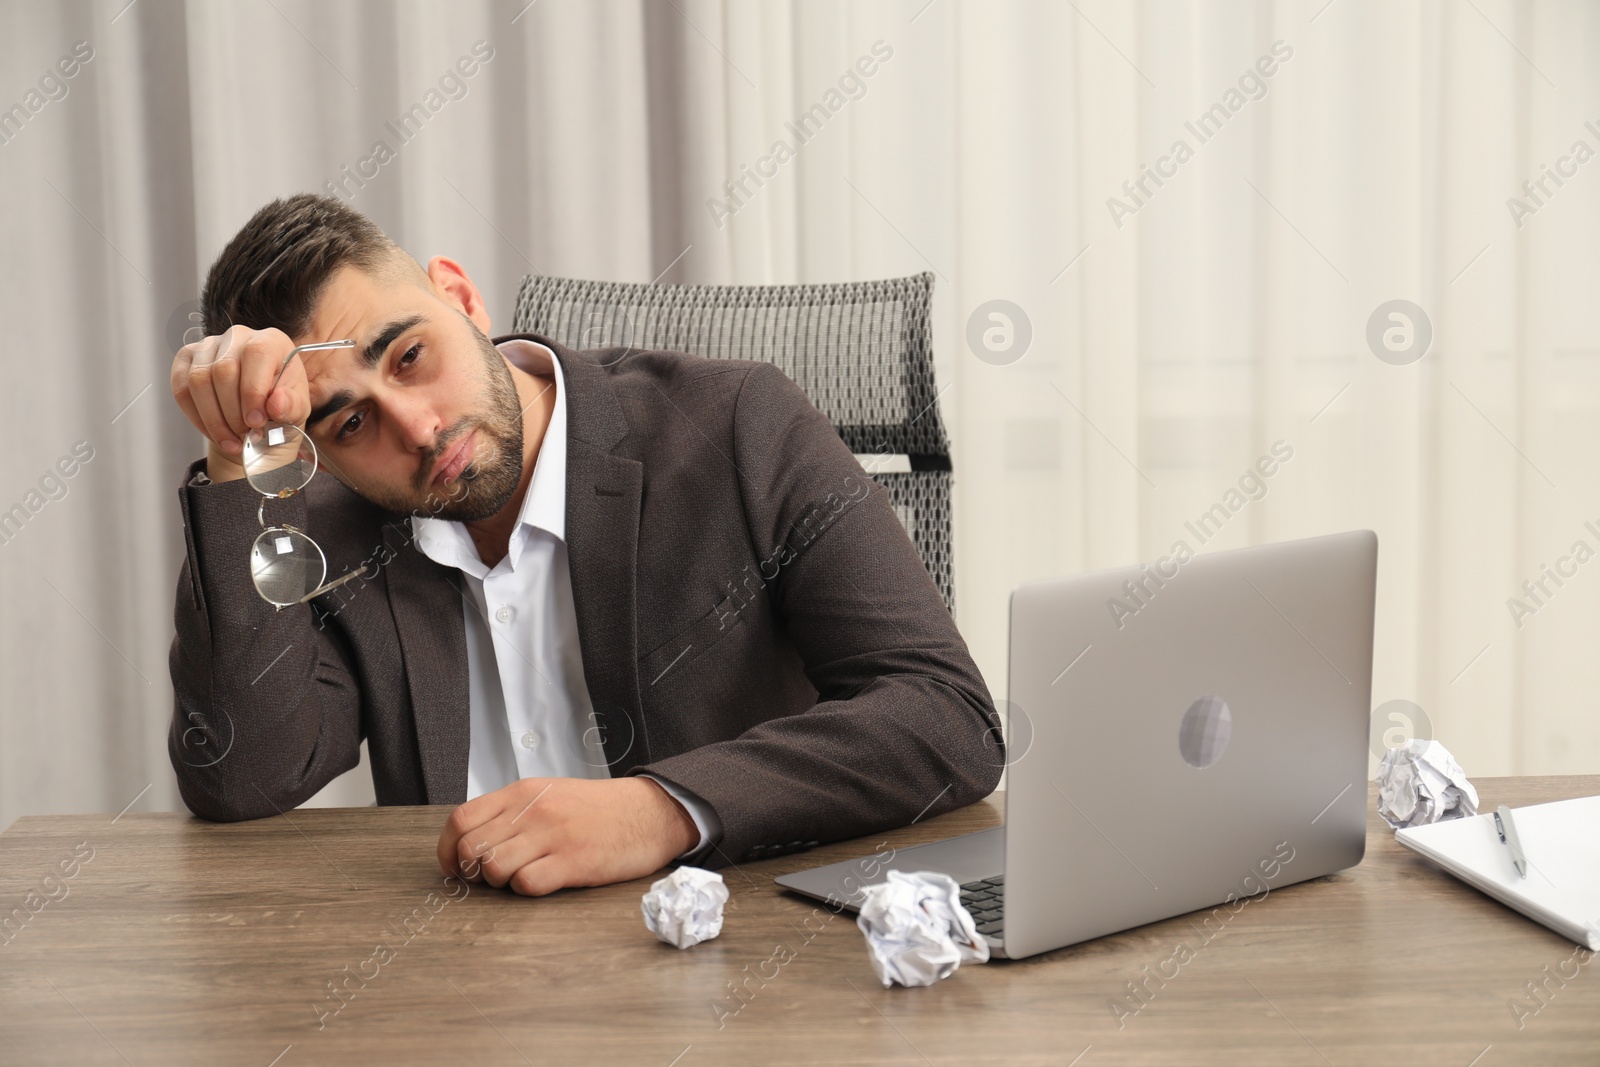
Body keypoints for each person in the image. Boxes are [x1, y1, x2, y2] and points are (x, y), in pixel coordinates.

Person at [167, 193, 1000, 897]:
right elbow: (242, 778)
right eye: (350, 421)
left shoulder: (740, 424)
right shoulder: (333, 532)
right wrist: (238, 463)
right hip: (462, 999)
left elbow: (945, 716)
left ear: (460, 295)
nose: (419, 428)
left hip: (740, 967)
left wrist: (663, 808)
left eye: (412, 356)